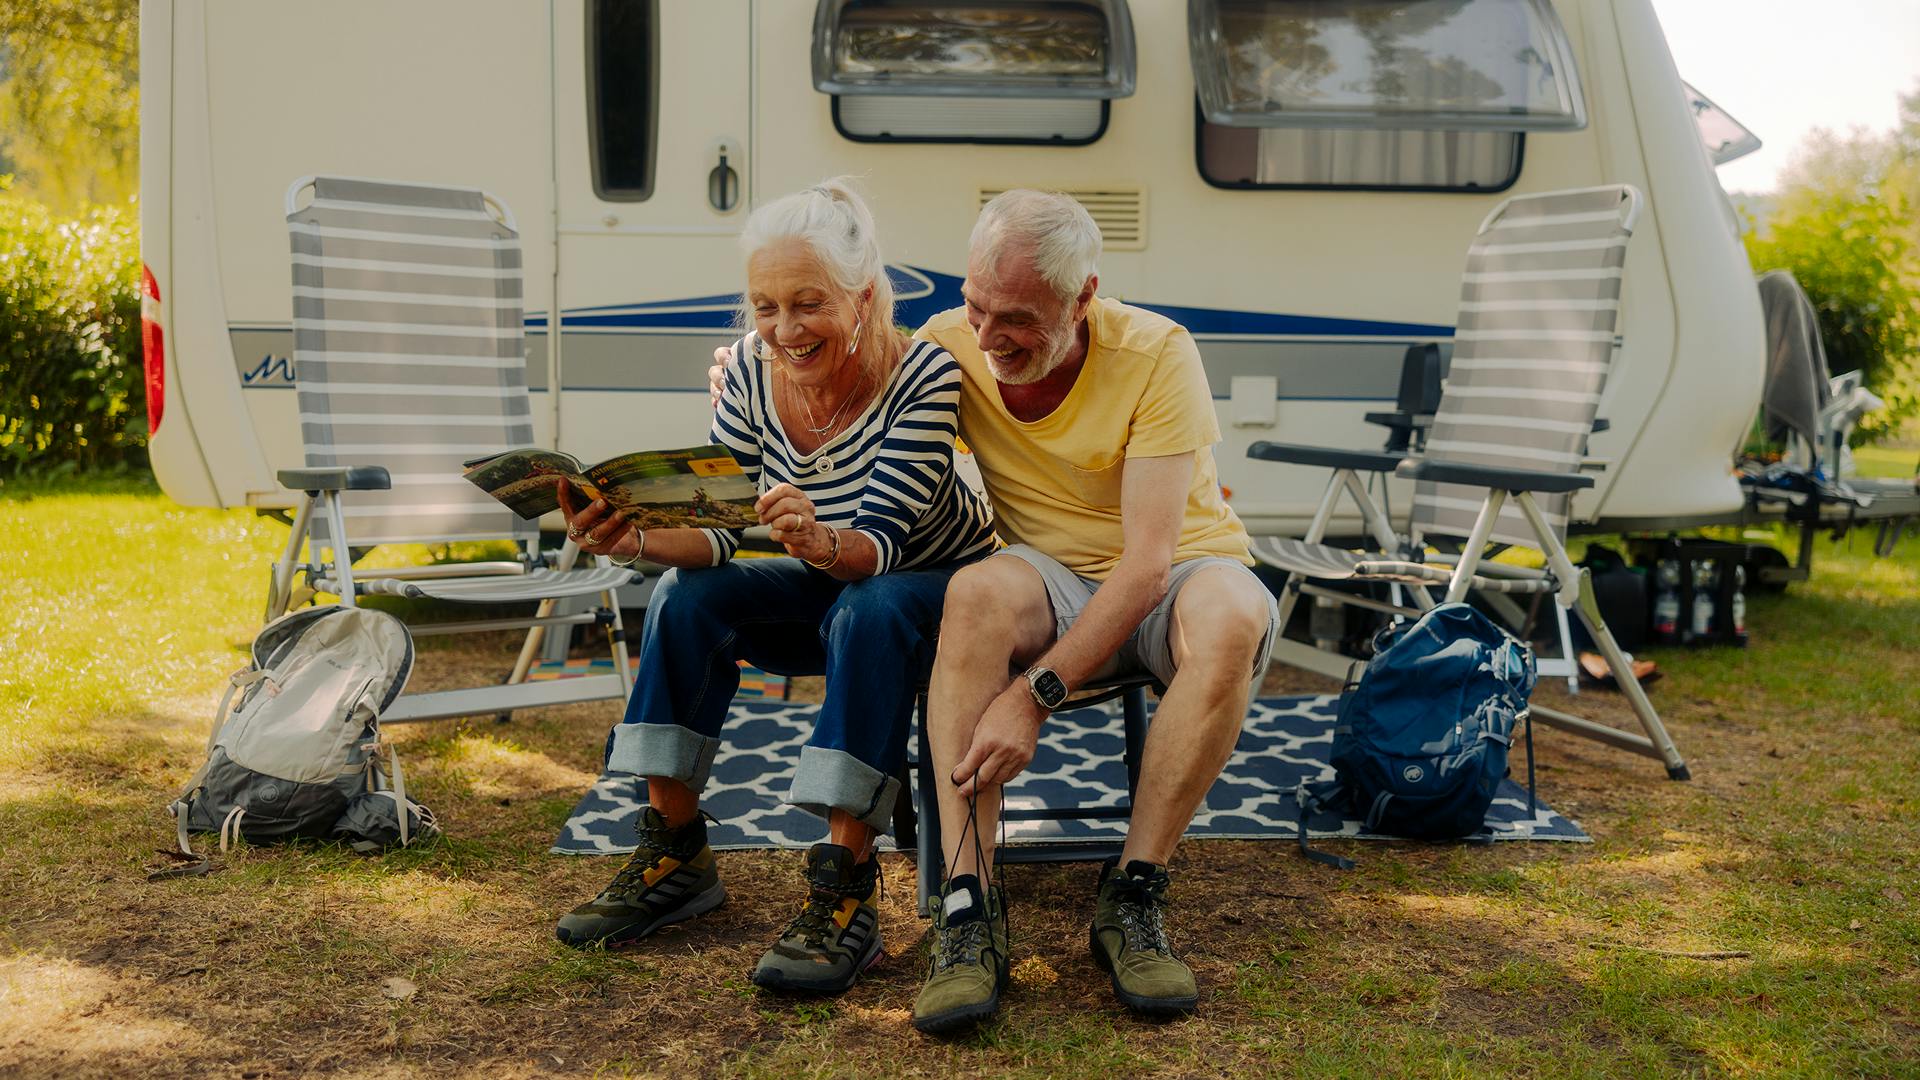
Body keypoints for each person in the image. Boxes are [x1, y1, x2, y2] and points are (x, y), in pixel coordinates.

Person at [711, 191, 1279, 1029]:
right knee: (973, 591)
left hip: (1177, 573)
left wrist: (1033, 695)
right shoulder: (948, 344)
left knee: (1233, 615)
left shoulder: (1158, 352)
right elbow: (849, 365)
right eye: (976, 305)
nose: (987, 335)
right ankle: (968, 907)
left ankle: (1134, 896)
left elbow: (1148, 566)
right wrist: (753, 362)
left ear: (1084, 297)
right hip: (1043, 574)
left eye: (1015, 318)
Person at [556, 179, 995, 998]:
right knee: (687, 596)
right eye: (765, 307)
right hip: (831, 583)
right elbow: (719, 528)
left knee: (869, 606)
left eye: (808, 303)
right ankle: (675, 854)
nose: (785, 330)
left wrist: (819, 539)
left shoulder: (925, 376)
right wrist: (636, 535)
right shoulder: (754, 371)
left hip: (940, 599)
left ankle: (844, 890)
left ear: (862, 299)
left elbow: (875, 548)